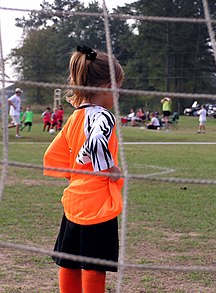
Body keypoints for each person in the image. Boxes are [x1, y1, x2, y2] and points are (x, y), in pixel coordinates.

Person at [43, 45, 124, 293]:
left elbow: (53, 154)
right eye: (117, 90)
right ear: (105, 87)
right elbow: (97, 142)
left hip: (74, 200)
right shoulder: (103, 116)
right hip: (98, 204)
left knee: (68, 260)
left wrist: (75, 171)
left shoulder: (75, 117)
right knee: (94, 265)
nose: (117, 96)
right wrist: (110, 169)